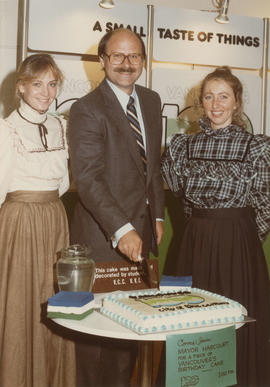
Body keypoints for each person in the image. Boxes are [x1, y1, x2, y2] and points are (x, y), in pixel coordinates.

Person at [161, 66, 270, 386]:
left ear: (237, 102)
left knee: (236, 325)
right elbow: (178, 196)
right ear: (200, 102)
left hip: (239, 245)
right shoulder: (183, 146)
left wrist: (244, 239)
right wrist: (200, 230)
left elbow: (266, 202)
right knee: (193, 323)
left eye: (224, 96)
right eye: (209, 96)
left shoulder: (257, 147)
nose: (216, 103)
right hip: (194, 243)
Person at [69, 28, 164, 386]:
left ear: (143, 60)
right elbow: (89, 180)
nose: (127, 64)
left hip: (143, 239)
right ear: (102, 60)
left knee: (128, 340)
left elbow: (152, 165)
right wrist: (122, 228)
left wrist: (156, 215)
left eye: (134, 56)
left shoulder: (152, 101)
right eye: (118, 56)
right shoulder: (86, 109)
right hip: (102, 239)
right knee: (96, 345)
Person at [0, 54, 76, 387]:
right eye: (37, 84)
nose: (45, 93)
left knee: (54, 300)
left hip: (55, 219)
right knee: (20, 304)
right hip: (19, 221)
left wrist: (49, 207)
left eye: (52, 84)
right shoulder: (6, 129)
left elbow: (63, 183)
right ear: (21, 88)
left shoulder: (62, 125)